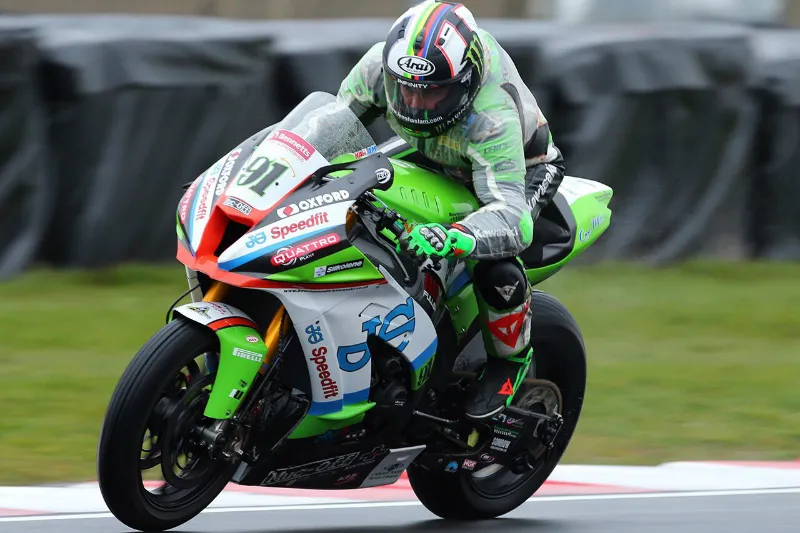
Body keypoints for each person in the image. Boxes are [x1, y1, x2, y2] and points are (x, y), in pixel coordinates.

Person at [336, 0, 565, 420]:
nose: (417, 104)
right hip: (436, 150)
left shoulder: (491, 118)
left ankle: (510, 361)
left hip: (520, 173)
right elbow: (331, 132)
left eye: (434, 91)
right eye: (407, 90)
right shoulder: (379, 69)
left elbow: (511, 216)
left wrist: (456, 236)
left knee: (493, 263)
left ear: (465, 82)